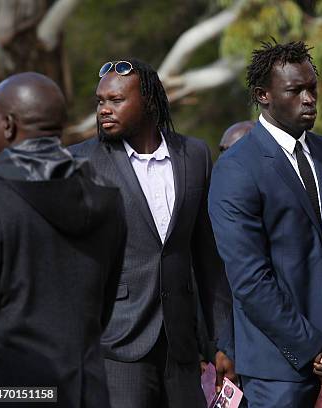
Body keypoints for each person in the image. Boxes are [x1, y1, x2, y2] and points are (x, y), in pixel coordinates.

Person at [69, 58, 233, 408]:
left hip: (182, 347)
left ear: (148, 102)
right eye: (100, 101)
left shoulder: (194, 155)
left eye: (116, 100)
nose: (104, 110)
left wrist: (222, 341)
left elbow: (208, 259)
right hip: (115, 345)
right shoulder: (79, 164)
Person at [208, 40, 322, 407]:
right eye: (295, 91)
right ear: (264, 95)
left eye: (312, 89)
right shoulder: (237, 168)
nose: (309, 99)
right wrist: (316, 351)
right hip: (276, 370)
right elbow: (250, 280)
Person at [0, 72, 126, 407]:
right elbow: (103, 307)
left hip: (10, 391)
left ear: (7, 125)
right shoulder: (107, 197)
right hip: (85, 388)